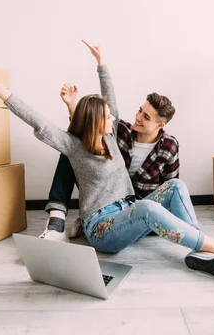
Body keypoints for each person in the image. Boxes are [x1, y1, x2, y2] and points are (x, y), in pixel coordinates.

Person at [0, 40, 214, 279]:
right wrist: (1, 92)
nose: (116, 120)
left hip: (128, 211)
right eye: (109, 117)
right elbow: (39, 123)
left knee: (175, 186)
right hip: (101, 228)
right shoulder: (73, 147)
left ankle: (199, 252)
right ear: (97, 122)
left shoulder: (112, 138)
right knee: (147, 207)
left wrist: (101, 64)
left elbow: (110, 97)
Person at [40, 79, 180, 242]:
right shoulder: (120, 130)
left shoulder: (169, 146)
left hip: (141, 208)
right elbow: (86, 131)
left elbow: (170, 187)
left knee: (169, 195)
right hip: (108, 201)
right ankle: (57, 220)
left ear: (160, 125)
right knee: (70, 151)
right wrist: (71, 104)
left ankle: (89, 225)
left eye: (146, 117)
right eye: (140, 111)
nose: (138, 117)